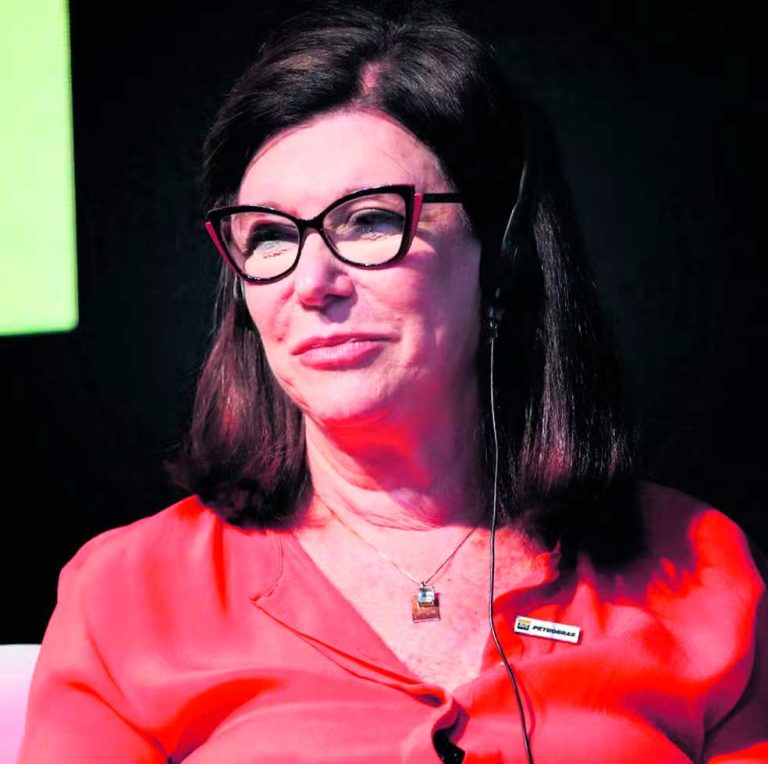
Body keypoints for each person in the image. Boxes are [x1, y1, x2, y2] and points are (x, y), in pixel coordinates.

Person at [19, 3, 767, 762]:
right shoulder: (126, 594)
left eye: (370, 221)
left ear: (501, 254)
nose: (313, 283)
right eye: (270, 236)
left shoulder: (698, 568)